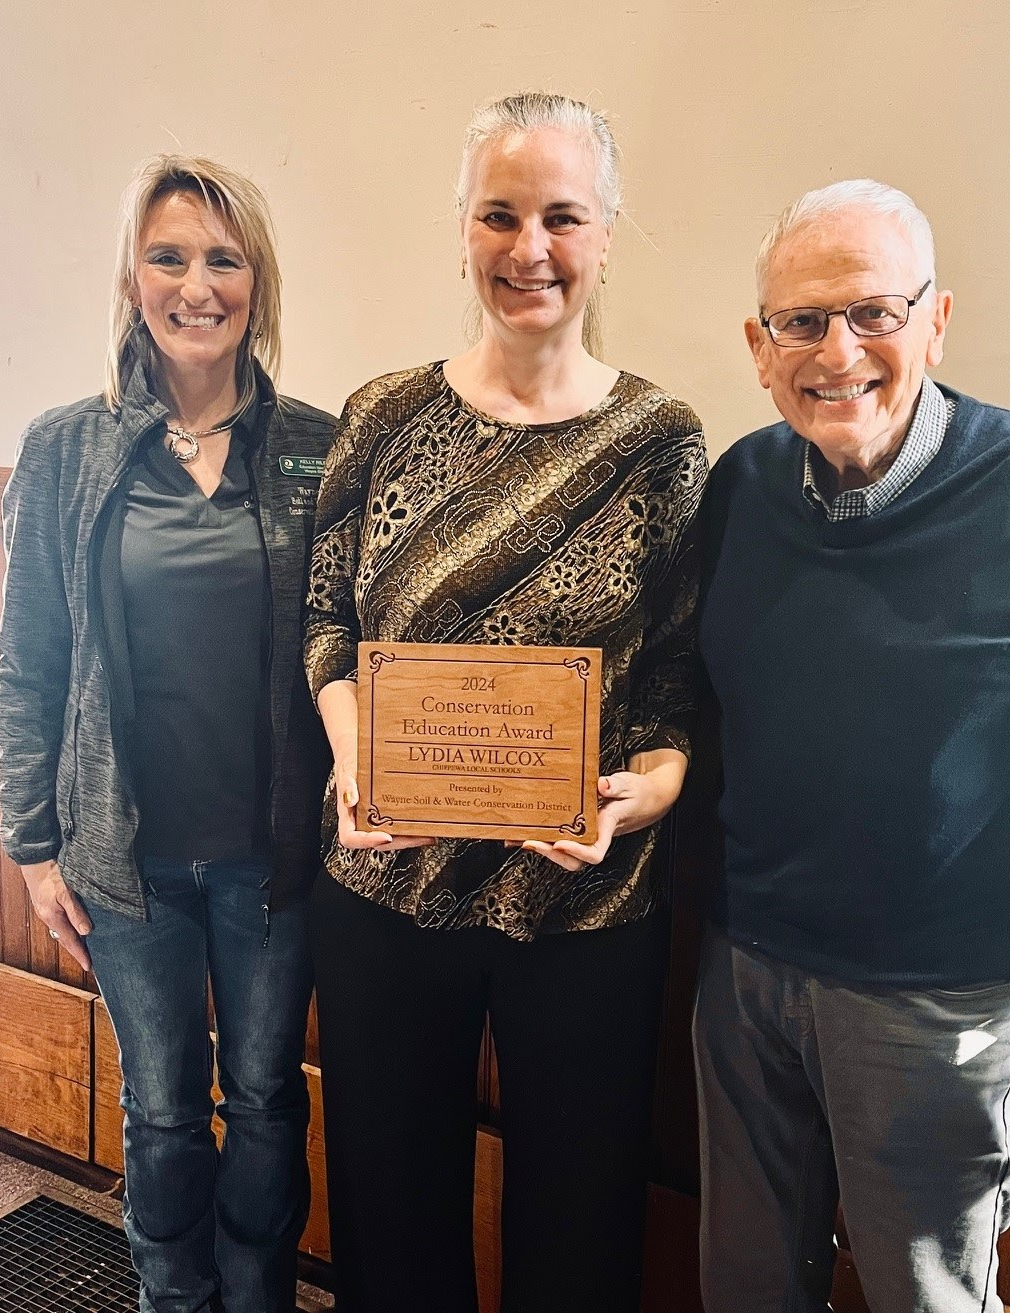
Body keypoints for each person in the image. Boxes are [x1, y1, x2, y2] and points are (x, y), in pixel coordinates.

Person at [693, 177, 1010, 1313]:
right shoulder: (741, 485)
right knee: (746, 1288)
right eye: (801, 320)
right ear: (758, 343)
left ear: (936, 319)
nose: (838, 350)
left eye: (874, 312)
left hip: (940, 1002)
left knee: (924, 1295)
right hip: (746, 976)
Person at [304, 91, 707, 1313]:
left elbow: (680, 675)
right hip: (389, 883)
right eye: (500, 215)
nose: (529, 249)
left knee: (579, 1221)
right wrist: (352, 746)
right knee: (386, 1200)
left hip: (583, 890)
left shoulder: (659, 437)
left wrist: (657, 788)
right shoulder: (380, 416)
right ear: (464, 226)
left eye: (560, 217)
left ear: (607, 229)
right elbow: (327, 623)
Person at [0, 154, 334, 1313]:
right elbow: (28, 660)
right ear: (133, 278)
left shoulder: (316, 447)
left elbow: (350, 647)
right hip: (124, 861)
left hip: (272, 860)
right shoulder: (65, 447)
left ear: (258, 283)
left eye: (223, 259)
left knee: (266, 1097)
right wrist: (32, 844)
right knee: (161, 1108)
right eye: (170, 256)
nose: (198, 284)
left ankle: (257, 1297)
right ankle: (171, 1300)